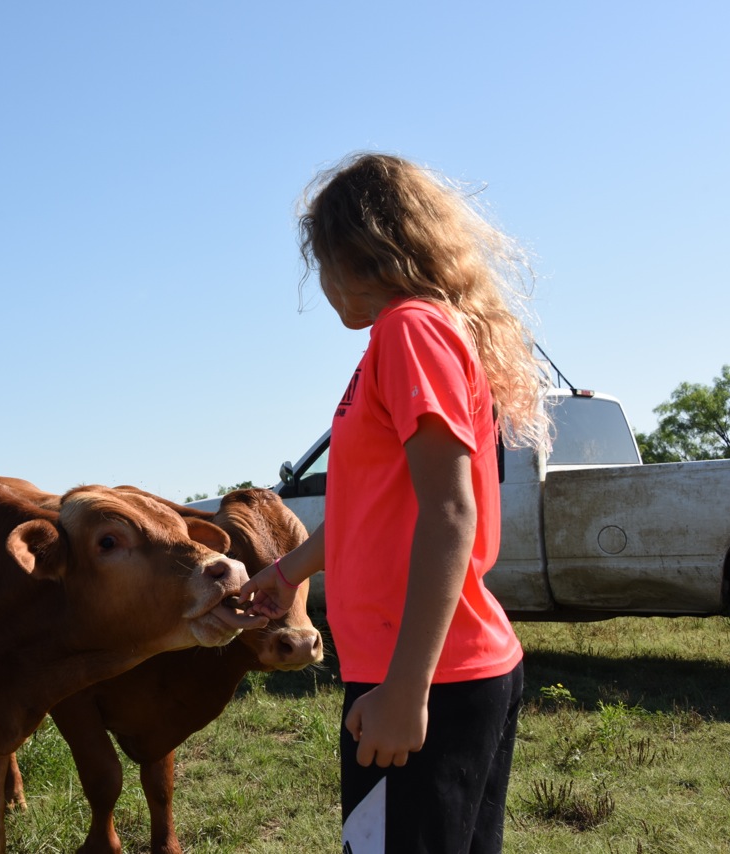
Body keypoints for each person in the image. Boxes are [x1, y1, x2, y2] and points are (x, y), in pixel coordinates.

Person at [239, 152, 550, 853]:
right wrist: (286, 574)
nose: (321, 285)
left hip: (425, 675)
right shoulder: (406, 335)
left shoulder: (411, 329)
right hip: (431, 668)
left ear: (354, 254)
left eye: (320, 263)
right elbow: (368, 508)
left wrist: (408, 692)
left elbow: (450, 511)